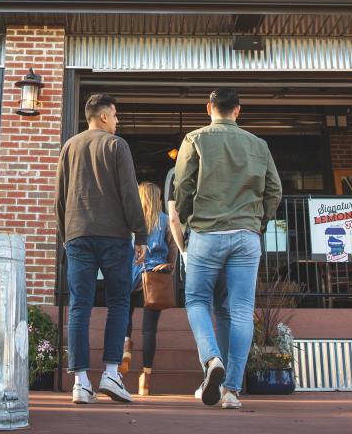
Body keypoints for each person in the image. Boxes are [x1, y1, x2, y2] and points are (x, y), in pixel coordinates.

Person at [174, 88, 282, 410]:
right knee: (240, 310)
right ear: (238, 110)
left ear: (209, 108)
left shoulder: (195, 139)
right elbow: (274, 190)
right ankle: (232, 390)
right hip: (246, 235)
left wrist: (185, 216)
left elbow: (182, 185)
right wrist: (257, 222)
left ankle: (211, 360)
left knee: (196, 300)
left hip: (207, 233)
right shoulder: (259, 145)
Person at [56, 93, 147, 405]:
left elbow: (60, 196)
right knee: (119, 302)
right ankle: (111, 372)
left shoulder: (69, 146)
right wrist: (142, 233)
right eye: (116, 115)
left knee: (79, 305)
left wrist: (66, 235)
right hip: (114, 236)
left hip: (77, 234)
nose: (118, 121)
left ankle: (80, 382)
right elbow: (129, 192)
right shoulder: (116, 144)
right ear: (104, 116)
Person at [164, 164, 230, 400]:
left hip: (198, 243)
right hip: (230, 241)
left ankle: (212, 362)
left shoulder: (175, 174)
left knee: (198, 304)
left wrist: (183, 250)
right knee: (224, 310)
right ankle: (228, 386)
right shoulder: (219, 170)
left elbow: (173, 218)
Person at [122, 181, 175, 395]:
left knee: (125, 311)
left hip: (132, 275)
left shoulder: (131, 222)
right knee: (149, 329)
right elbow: (173, 248)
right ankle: (146, 377)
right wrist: (169, 268)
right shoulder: (164, 221)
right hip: (155, 276)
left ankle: (126, 346)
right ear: (157, 198)